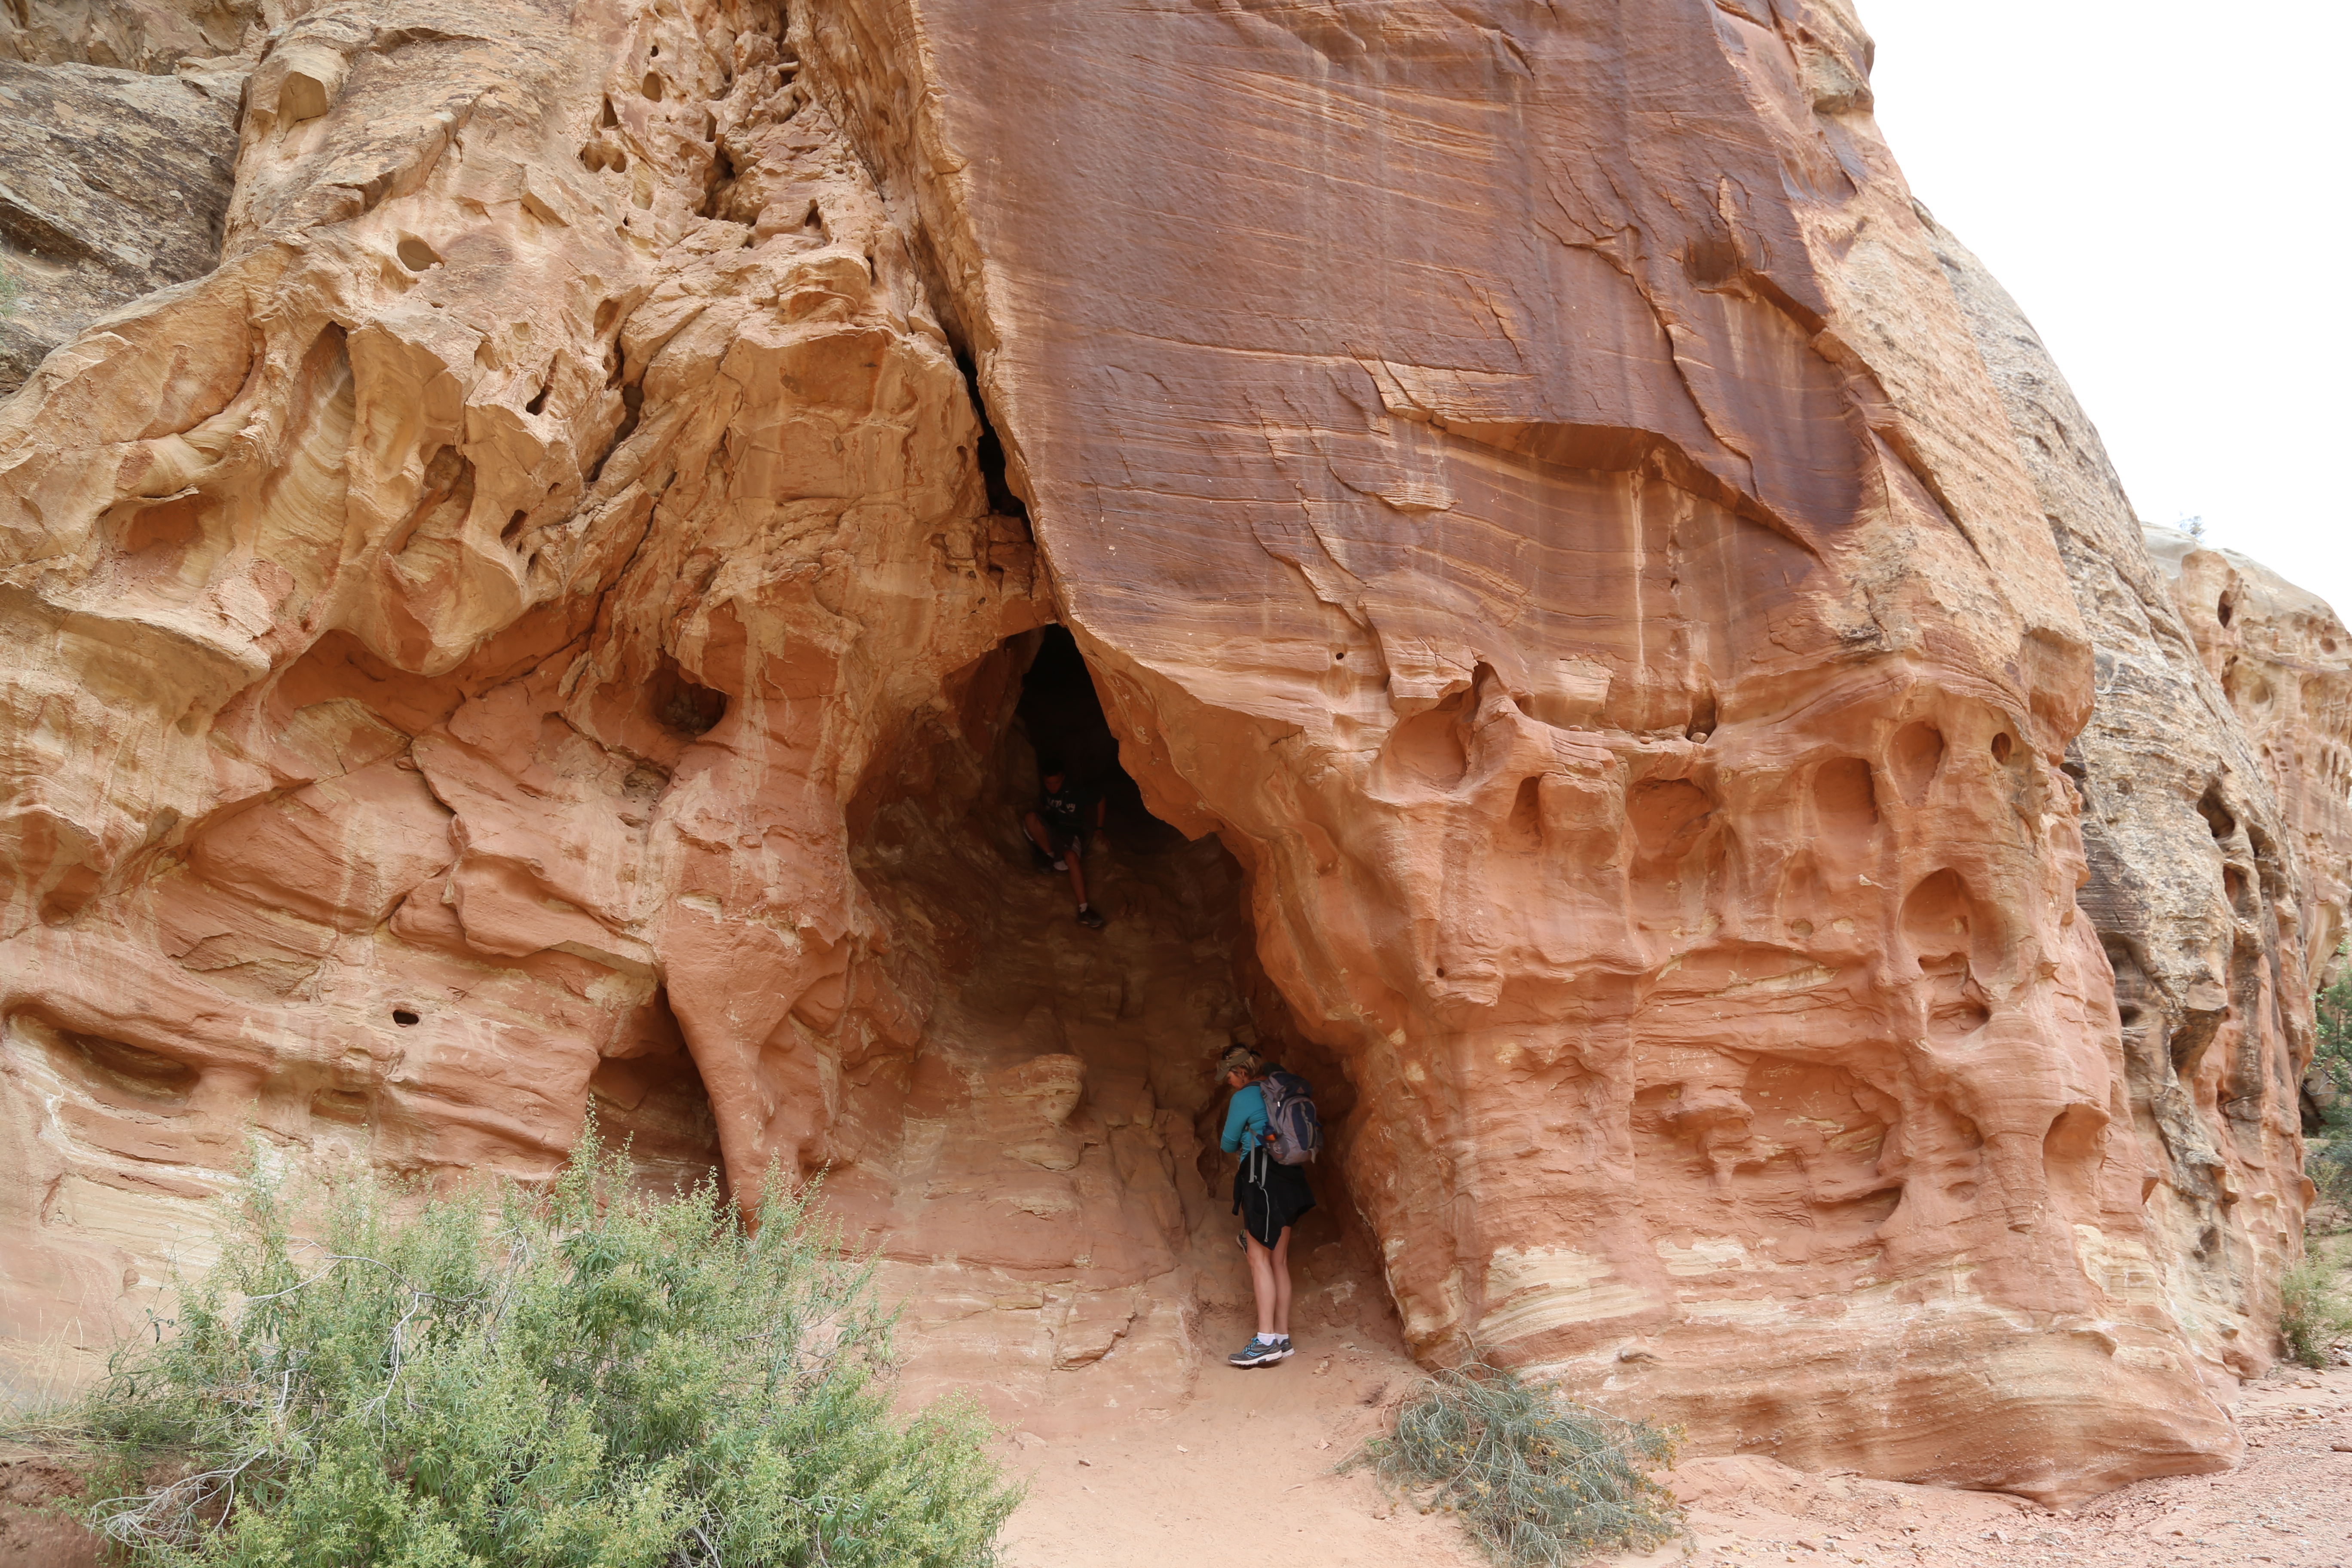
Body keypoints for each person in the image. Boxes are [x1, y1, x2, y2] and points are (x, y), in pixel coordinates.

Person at [1216, 1043, 1314, 1367]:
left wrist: (1245, 1131)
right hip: (1290, 1177)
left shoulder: (1244, 1097)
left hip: (1260, 1181)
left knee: (1258, 1258)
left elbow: (1227, 1143)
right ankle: (1282, 1338)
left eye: (1229, 1075)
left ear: (1242, 1071)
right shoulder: (1281, 1090)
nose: (1228, 1081)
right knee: (1279, 1261)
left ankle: (1265, 1341)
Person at [1022, 767, 1108, 929]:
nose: (1053, 787)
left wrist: (1099, 829)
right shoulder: (1046, 793)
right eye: (1049, 783)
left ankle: (1085, 910)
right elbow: (1043, 807)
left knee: (1071, 857)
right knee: (1030, 817)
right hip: (1052, 832)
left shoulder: (1076, 792)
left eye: (1056, 783)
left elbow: (1101, 799)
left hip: (1071, 833)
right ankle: (1050, 855)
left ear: (1063, 778)